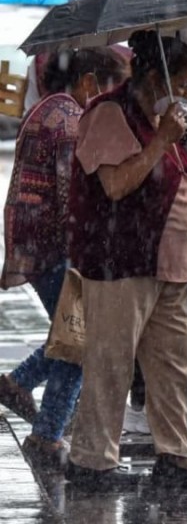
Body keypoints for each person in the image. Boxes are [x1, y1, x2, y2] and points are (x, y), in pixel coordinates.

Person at [64, 28, 187, 491]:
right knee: (111, 364)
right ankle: (92, 461)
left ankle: (176, 456)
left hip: (169, 267)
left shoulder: (164, 120)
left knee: (171, 367)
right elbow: (116, 185)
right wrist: (162, 141)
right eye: (184, 82)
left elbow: (165, 175)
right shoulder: (111, 114)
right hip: (121, 261)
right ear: (156, 78)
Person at [0, 47, 130, 470]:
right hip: (53, 247)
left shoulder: (53, 108)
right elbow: (67, 195)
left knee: (71, 333)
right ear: (90, 82)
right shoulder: (69, 120)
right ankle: (46, 434)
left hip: (38, 243)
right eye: (111, 89)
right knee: (81, 340)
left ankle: (20, 386)